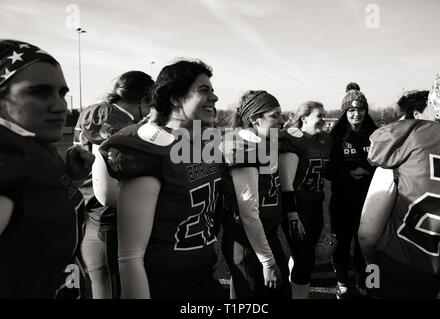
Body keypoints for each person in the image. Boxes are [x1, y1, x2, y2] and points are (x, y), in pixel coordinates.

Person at [97, 59, 226, 299]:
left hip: (203, 273)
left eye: (213, 90)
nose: (215, 97)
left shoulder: (204, 142)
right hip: (167, 283)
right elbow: (130, 256)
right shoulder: (151, 150)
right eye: (204, 90)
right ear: (175, 98)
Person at [0, 39, 94, 298]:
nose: (60, 105)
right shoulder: (10, 155)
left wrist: (69, 179)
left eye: (62, 93)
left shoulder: (35, 146)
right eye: (40, 92)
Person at [359, 68, 440, 299]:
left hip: (401, 268)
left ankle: (369, 285)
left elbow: (367, 235)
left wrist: (371, 265)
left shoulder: (407, 141)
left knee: (373, 285)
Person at [73, 71, 154, 299]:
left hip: (92, 211)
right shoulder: (112, 116)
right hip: (106, 216)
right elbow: (107, 186)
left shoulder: (102, 110)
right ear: (145, 96)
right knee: (111, 290)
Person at [221, 90, 291, 299]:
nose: (281, 121)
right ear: (254, 118)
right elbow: (249, 213)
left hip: (263, 234)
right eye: (274, 116)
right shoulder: (242, 145)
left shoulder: (265, 140)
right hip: (247, 241)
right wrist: (268, 262)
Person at [278, 101, 334, 298]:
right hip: (297, 206)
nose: (323, 119)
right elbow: (287, 184)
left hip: (315, 204)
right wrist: (293, 215)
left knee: (304, 254)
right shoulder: (293, 139)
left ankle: (293, 286)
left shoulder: (326, 140)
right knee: (305, 262)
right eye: (319, 115)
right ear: (304, 118)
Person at [327, 83, 378, 299]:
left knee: (364, 244)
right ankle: (342, 283)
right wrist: (348, 174)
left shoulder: (376, 134)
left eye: (360, 109)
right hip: (342, 200)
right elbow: (327, 168)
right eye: (351, 110)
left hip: (369, 200)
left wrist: (366, 170)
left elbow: (383, 162)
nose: (356, 113)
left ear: (366, 111)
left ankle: (363, 282)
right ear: (345, 112)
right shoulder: (335, 136)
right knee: (341, 242)